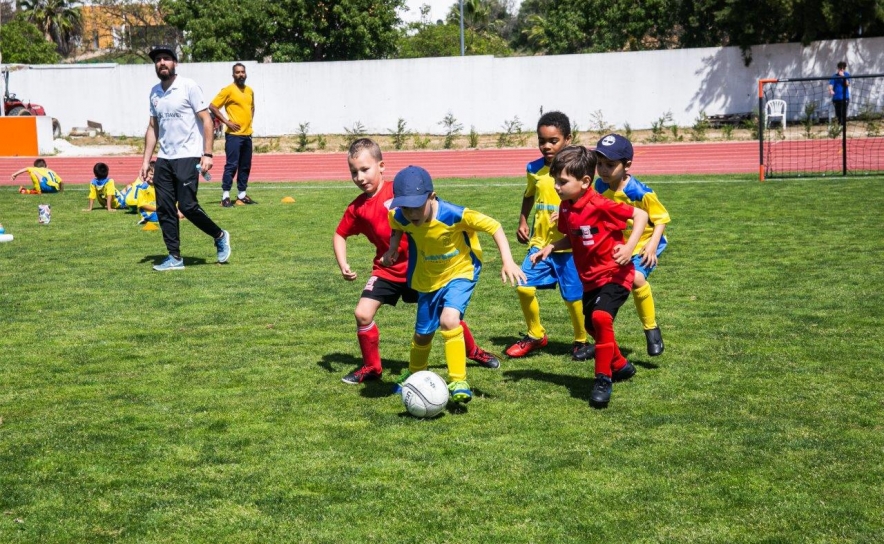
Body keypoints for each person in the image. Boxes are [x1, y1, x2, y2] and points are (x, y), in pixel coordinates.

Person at [335, 139, 502, 385]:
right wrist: (343, 263)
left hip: (422, 269)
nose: (359, 177)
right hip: (388, 270)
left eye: (365, 169)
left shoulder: (401, 190)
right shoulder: (357, 208)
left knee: (448, 315)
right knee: (362, 313)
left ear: (381, 166)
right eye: (354, 172)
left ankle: (472, 350)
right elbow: (340, 234)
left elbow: (434, 212)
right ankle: (372, 367)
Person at [381, 166, 526, 403]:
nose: (411, 214)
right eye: (405, 207)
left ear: (431, 196)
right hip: (428, 279)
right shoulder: (398, 216)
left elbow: (494, 226)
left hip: (461, 271)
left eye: (416, 206)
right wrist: (392, 248)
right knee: (422, 336)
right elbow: (397, 226)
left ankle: (458, 379)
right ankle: (416, 375)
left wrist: (507, 261)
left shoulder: (453, 214)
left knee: (449, 320)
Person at [531, 146, 648, 408]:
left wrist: (629, 248)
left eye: (562, 182)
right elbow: (571, 238)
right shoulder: (566, 208)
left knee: (600, 317)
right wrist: (551, 247)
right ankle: (620, 365)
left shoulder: (601, 204)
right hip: (590, 279)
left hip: (616, 273)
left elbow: (641, 215)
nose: (557, 187)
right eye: (555, 181)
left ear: (585, 182)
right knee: (595, 328)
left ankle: (603, 378)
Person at [506, 111, 589, 360]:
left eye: (553, 141)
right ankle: (536, 335)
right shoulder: (533, 169)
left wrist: (570, 214)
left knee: (573, 296)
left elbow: (589, 200)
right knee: (523, 285)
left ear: (568, 139)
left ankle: (581, 340)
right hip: (539, 242)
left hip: (569, 245)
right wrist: (522, 220)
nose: (546, 146)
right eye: (542, 141)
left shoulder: (578, 169)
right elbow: (529, 194)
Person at [141, 44, 231, 271]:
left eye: (166, 59)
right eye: (158, 60)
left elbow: (207, 120)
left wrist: (208, 154)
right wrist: (146, 161)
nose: (162, 63)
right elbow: (153, 128)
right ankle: (175, 257)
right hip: (164, 159)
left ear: (175, 63)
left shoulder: (188, 86)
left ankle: (219, 235)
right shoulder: (154, 92)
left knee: (188, 207)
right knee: (164, 208)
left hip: (188, 156)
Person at [593, 133, 669, 357]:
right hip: (617, 245)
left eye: (610, 165)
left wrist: (652, 245)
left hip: (644, 243)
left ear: (627, 165)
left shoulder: (639, 191)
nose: (603, 170)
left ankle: (651, 329)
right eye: (599, 164)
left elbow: (661, 218)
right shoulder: (599, 186)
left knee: (636, 278)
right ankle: (599, 339)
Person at [209, 63, 256, 207]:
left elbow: (252, 107)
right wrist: (227, 122)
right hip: (234, 136)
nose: (240, 74)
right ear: (233, 75)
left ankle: (242, 194)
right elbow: (213, 106)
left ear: (246, 74)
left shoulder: (249, 91)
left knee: (245, 166)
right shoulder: (228, 90)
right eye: (237, 72)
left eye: (242, 72)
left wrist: (248, 123)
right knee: (232, 165)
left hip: (247, 135)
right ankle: (225, 196)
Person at [828, 61, 850, 126]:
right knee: (838, 114)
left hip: (845, 97)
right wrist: (831, 90)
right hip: (836, 98)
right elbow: (830, 84)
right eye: (841, 68)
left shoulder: (847, 75)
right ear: (838, 68)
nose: (842, 69)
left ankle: (843, 126)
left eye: (843, 68)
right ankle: (839, 126)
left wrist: (843, 77)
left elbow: (847, 84)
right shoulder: (834, 76)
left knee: (843, 113)